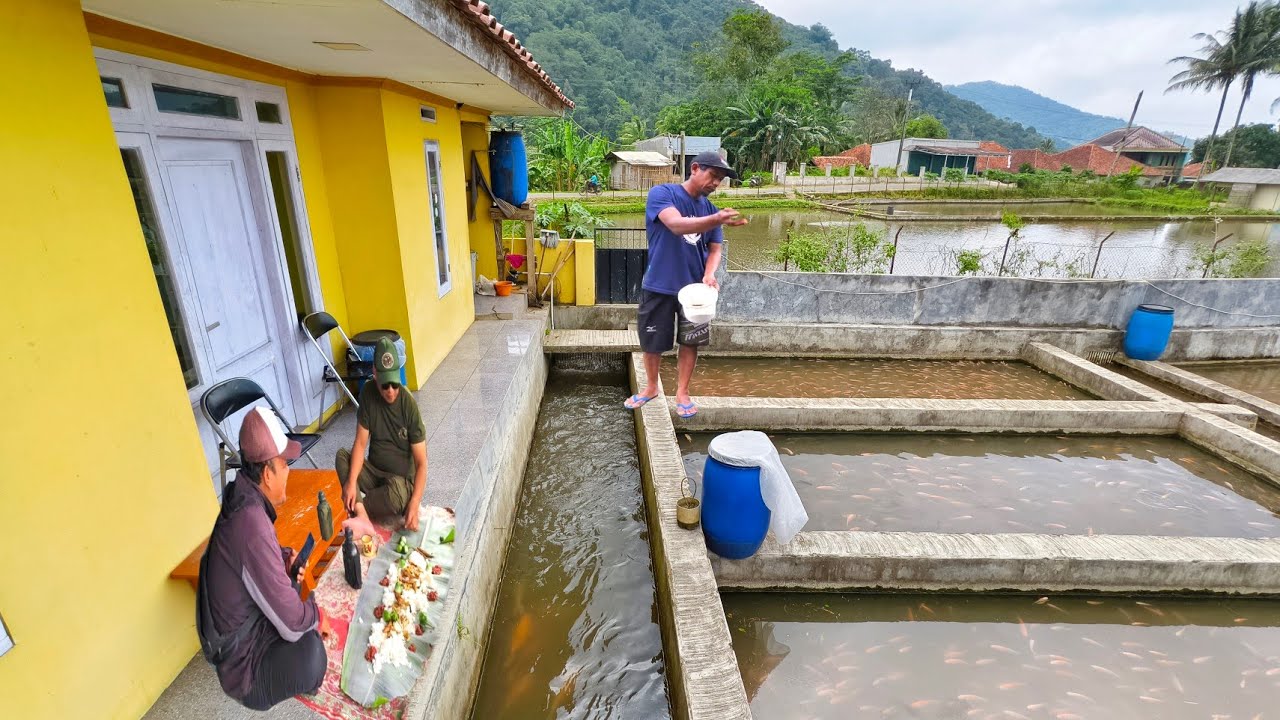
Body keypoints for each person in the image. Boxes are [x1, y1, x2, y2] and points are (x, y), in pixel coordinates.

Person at [202, 406, 332, 711]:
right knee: (312, 653)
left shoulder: (244, 498)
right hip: (244, 667)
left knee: (298, 597)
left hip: (249, 625)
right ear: (267, 472)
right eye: (284, 464)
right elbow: (291, 624)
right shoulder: (249, 525)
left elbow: (256, 561)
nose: (289, 470)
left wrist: (284, 559)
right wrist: (319, 617)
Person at [624, 151, 747, 419]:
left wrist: (709, 274)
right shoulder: (662, 194)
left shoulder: (711, 210)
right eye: (713, 176)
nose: (716, 184)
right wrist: (717, 219)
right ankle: (652, 388)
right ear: (694, 168)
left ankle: (682, 392)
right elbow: (676, 225)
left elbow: (715, 249)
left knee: (691, 342)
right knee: (652, 341)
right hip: (659, 284)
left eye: (720, 180)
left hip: (695, 293)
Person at [336, 336, 428, 531]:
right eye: (385, 385)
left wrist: (414, 503)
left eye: (395, 384)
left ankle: (362, 509)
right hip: (375, 473)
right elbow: (360, 444)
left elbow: (422, 463)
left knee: (396, 495)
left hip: (400, 484)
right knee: (342, 457)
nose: (391, 391)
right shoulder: (368, 393)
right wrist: (352, 482)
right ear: (375, 374)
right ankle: (362, 513)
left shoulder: (408, 403)